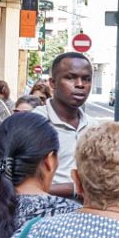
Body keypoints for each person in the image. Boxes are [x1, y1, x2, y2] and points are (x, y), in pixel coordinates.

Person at [34, 52, 95, 199]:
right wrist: (74, 188)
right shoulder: (33, 122)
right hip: (42, 217)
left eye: (86, 79)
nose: (80, 84)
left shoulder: (95, 128)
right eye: (70, 77)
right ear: (53, 83)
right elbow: (15, 184)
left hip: (87, 218)